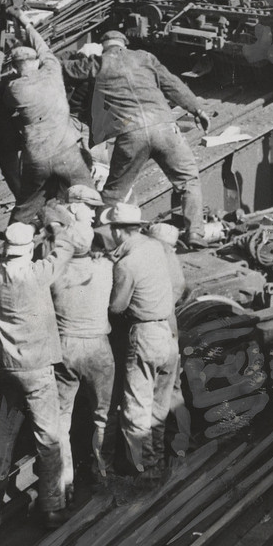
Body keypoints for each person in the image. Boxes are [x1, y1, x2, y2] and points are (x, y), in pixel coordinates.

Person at [0, 220, 71, 527]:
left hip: (8, 367)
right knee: (48, 436)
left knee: (4, 436)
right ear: (29, 250)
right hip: (37, 369)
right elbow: (64, 252)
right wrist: (56, 227)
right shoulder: (36, 274)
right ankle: (51, 507)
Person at [93, 31, 209, 232]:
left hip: (131, 134)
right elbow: (172, 85)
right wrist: (197, 110)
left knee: (114, 192)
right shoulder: (145, 57)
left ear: (103, 46)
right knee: (188, 181)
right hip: (165, 128)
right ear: (124, 44)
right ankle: (196, 233)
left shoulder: (98, 64)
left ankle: (97, 236)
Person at [107, 202, 182, 475]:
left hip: (145, 336)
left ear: (117, 231)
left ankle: (145, 470)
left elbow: (117, 307)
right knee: (158, 407)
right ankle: (157, 460)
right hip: (168, 334)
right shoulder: (155, 247)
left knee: (136, 409)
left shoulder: (127, 264)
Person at [48, 200, 115, 489]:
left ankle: (65, 482)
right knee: (103, 415)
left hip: (65, 348)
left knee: (61, 419)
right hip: (98, 347)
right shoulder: (105, 269)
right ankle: (103, 472)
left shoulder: (54, 273)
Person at [4, 14, 95, 220]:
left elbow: (9, 105)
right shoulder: (53, 71)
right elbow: (43, 47)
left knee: (26, 206)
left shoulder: (14, 88)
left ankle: (16, 232)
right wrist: (25, 22)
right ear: (37, 61)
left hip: (37, 158)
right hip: (67, 153)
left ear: (15, 68)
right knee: (89, 196)